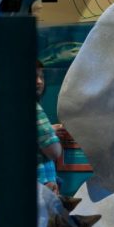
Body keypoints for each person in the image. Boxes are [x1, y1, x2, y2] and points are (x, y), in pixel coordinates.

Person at [36, 61, 62, 193]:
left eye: (42, 76)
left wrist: (49, 129)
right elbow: (54, 151)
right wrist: (51, 133)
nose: (39, 81)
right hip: (43, 187)